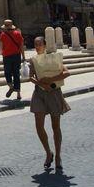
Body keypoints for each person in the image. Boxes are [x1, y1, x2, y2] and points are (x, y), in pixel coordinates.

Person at [29, 36, 70, 171]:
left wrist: (50, 80)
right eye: (35, 44)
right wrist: (41, 84)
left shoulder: (54, 58)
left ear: (45, 45)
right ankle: (48, 152)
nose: (37, 46)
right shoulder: (33, 60)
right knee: (39, 125)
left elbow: (67, 72)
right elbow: (31, 77)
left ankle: (58, 156)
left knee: (55, 126)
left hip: (54, 92)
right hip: (39, 93)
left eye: (40, 44)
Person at [0, 18, 25, 102]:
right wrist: (23, 57)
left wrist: (1, 52)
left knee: (7, 73)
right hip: (17, 56)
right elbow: (21, 46)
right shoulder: (18, 34)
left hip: (7, 56)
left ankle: (11, 87)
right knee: (16, 74)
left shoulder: (2, 35)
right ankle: (18, 94)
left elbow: (1, 47)